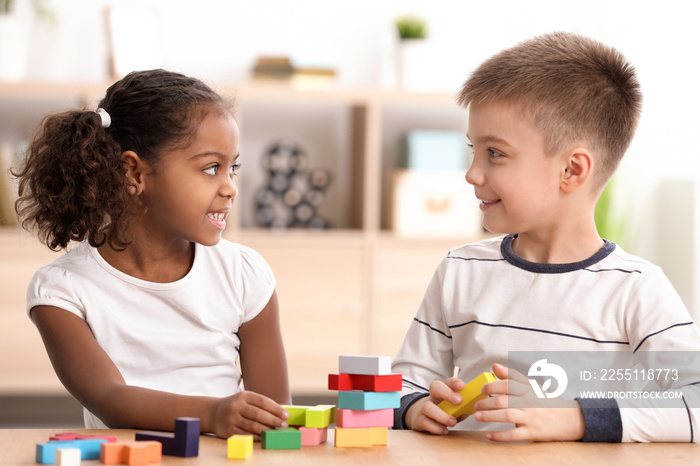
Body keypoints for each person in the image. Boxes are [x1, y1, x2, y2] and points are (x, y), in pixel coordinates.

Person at [391, 32, 700, 443]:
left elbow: (693, 402)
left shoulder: (634, 289)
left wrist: (574, 418)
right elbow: (401, 383)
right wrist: (415, 407)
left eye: (495, 153)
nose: (472, 174)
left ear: (572, 171)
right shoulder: (460, 270)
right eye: (473, 150)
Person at [12, 69, 291, 440]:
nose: (231, 188)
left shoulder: (245, 275)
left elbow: (275, 418)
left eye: (232, 168)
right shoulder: (62, 292)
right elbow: (111, 399)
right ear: (134, 173)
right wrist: (213, 414)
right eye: (211, 168)